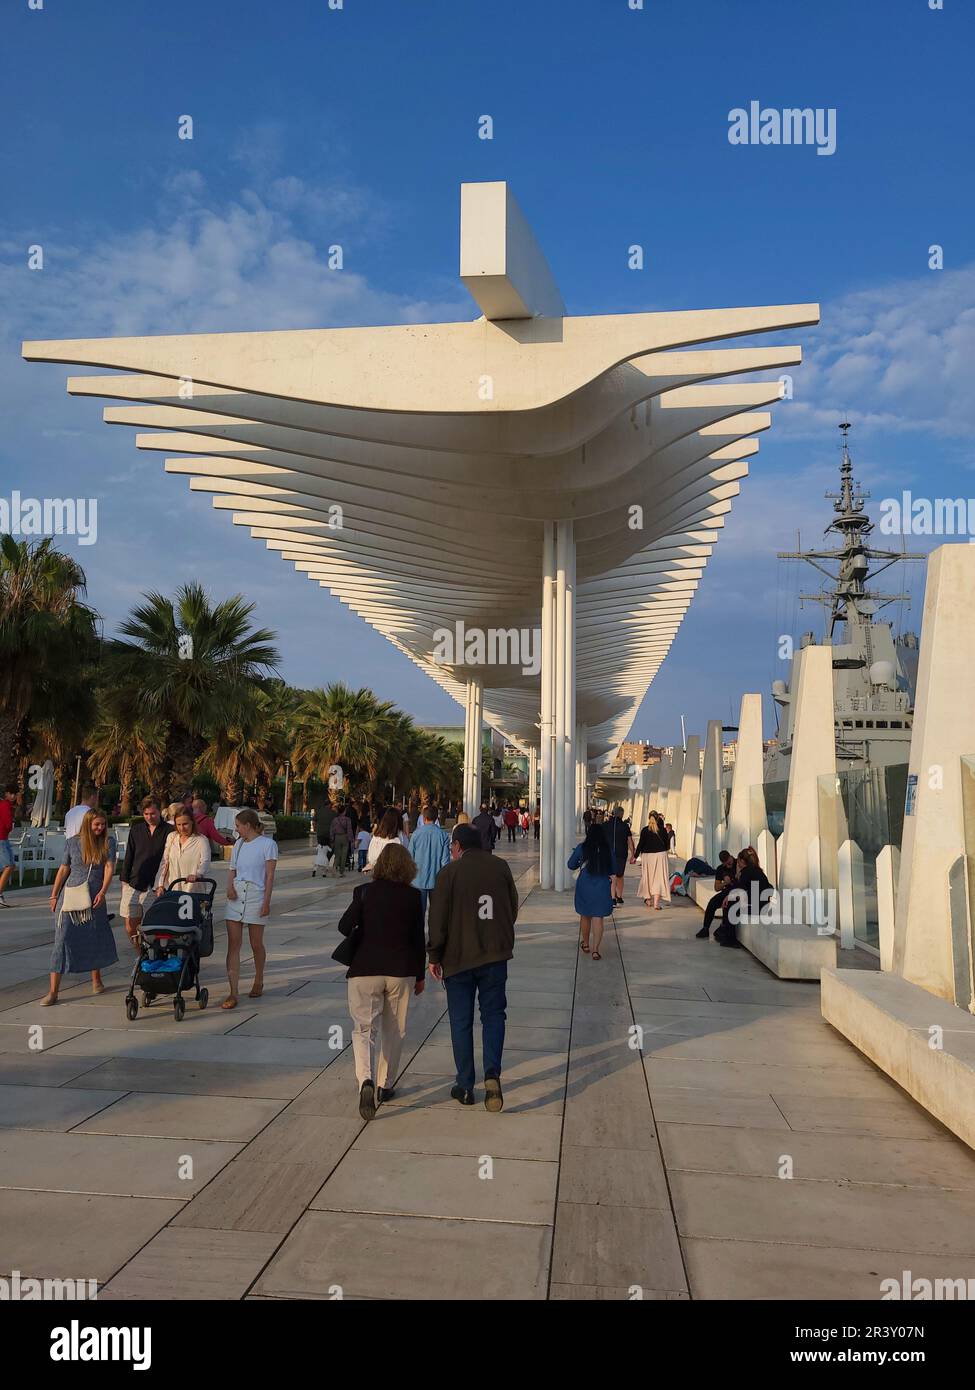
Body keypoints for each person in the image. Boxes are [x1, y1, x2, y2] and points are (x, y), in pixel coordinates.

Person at [428, 823, 519, 1110]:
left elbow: (437, 921)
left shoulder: (449, 874)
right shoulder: (500, 867)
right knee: (494, 1015)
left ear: (457, 846)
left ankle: (465, 1085)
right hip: (494, 955)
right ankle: (492, 1073)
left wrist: (434, 956)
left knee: (461, 1021)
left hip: (458, 959)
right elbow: (511, 906)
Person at [338, 842, 426, 1120]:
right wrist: (420, 973)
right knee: (394, 1029)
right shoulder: (414, 897)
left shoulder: (363, 892)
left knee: (363, 1030)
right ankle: (385, 1085)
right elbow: (417, 938)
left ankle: (365, 1079)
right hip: (400, 970)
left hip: (365, 968)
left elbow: (343, 926)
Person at [43, 809, 118, 1005]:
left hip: (94, 895)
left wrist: (103, 891)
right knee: (62, 939)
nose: (100, 828)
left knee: (93, 936)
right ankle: (53, 991)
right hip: (70, 896)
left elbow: (110, 867)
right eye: (96, 825)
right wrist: (53, 894)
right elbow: (64, 868)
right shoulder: (73, 842)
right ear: (88, 824)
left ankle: (96, 980)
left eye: (103, 824)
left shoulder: (108, 842)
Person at [223, 810, 278, 1009]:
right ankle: (233, 991)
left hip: (256, 894)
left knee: (256, 943)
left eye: (238, 826)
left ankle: (259, 979)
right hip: (237, 893)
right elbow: (232, 869)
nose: (236, 829)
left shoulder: (268, 845)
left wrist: (266, 902)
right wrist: (229, 887)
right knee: (233, 944)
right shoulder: (237, 844)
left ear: (247, 825)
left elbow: (270, 875)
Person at [118, 797, 171, 947]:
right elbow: (130, 854)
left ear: (159, 811)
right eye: (146, 814)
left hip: (156, 884)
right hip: (134, 881)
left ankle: (153, 953)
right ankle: (141, 953)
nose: (149, 817)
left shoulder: (169, 831)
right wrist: (124, 880)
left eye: (153, 813)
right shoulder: (136, 829)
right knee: (130, 924)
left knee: (152, 924)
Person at [568, 819, 615, 959]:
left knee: (585, 915)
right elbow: (614, 869)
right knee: (598, 918)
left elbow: (570, 865)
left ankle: (586, 944)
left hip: (585, 885)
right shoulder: (608, 849)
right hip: (602, 886)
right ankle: (595, 950)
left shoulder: (582, 848)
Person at [715, 847, 774, 948]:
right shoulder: (758, 871)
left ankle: (729, 938)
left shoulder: (746, 871)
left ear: (742, 861)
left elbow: (738, 889)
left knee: (729, 905)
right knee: (731, 902)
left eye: (738, 862)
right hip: (763, 905)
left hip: (757, 908)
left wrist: (728, 897)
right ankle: (723, 932)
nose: (737, 864)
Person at [156, 807, 211, 896]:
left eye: (185, 824)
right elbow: (165, 862)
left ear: (192, 822)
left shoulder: (201, 840)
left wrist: (198, 874)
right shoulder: (172, 837)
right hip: (173, 888)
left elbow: (205, 861)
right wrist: (160, 885)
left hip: (193, 891)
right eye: (179, 824)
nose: (182, 828)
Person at [409, 804, 451, 915]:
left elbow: (410, 858)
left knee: (419, 914)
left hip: (418, 880)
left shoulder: (416, 834)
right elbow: (445, 862)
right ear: (437, 818)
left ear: (424, 817)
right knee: (436, 914)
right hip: (437, 880)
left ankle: (420, 932)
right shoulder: (443, 835)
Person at [695, 851, 742, 939]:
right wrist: (725, 883)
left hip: (737, 891)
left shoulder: (738, 864)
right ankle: (705, 928)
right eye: (726, 863)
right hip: (727, 891)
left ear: (731, 857)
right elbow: (716, 888)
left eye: (729, 862)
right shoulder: (721, 869)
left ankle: (723, 928)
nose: (728, 865)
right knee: (712, 903)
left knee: (727, 905)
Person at [633, 811, 671, 910]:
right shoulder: (662, 830)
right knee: (658, 879)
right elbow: (667, 846)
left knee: (648, 877)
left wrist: (635, 856)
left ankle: (648, 899)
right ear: (658, 818)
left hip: (647, 856)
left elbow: (640, 845)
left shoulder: (645, 830)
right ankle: (656, 903)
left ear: (648, 818)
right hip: (660, 856)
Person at [607, 805, 635, 907]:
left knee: (610, 875)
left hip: (608, 853)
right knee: (619, 875)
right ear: (622, 814)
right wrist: (633, 854)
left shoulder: (605, 825)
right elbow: (629, 841)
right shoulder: (625, 826)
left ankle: (612, 896)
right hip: (621, 854)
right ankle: (619, 897)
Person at [0, 784, 17, 908]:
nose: (13, 796)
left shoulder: (7, 805)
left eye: (15, 794)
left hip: (4, 838)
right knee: (9, 866)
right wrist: (10, 824)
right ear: (6, 793)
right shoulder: (5, 805)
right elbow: (7, 824)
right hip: (1, 838)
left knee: (11, 865)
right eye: (11, 793)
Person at [330, 804, 353, 875]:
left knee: (337, 854)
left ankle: (334, 868)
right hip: (345, 837)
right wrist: (351, 839)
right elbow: (349, 830)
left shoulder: (334, 820)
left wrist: (332, 838)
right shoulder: (347, 819)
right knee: (344, 855)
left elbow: (331, 830)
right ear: (344, 811)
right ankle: (341, 872)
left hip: (337, 837)